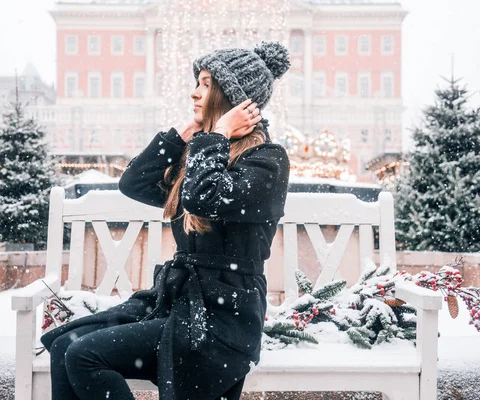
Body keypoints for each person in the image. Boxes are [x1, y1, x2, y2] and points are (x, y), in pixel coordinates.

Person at [40, 41, 291, 400]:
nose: (194, 92)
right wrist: (177, 137)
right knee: (66, 345)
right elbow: (134, 183)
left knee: (85, 355)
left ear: (231, 97)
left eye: (205, 84)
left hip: (222, 320)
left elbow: (203, 199)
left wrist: (215, 135)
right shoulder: (201, 156)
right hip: (178, 303)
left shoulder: (267, 160)